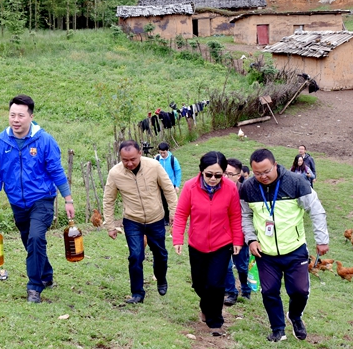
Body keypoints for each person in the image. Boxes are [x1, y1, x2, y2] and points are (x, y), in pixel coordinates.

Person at [0, 94, 75, 304]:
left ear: (31, 117)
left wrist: (68, 199)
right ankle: (46, 274)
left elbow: (56, 171)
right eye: (12, 115)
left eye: (20, 115)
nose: (16, 120)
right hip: (17, 201)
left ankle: (34, 288)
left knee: (36, 237)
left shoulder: (44, 140)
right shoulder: (0, 141)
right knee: (29, 241)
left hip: (42, 199)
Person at [241, 148, 329, 342]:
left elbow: (316, 210)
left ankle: (295, 316)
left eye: (266, 171)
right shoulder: (248, 187)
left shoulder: (296, 182)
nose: (262, 177)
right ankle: (277, 329)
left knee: (300, 291)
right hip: (265, 252)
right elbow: (245, 215)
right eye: (257, 173)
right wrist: (251, 239)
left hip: (294, 249)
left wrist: (322, 239)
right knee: (269, 291)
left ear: (275, 165)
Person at [172, 151, 243, 337]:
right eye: (209, 174)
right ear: (201, 171)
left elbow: (235, 216)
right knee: (199, 284)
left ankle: (215, 321)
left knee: (216, 284)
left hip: (222, 244)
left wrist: (238, 240)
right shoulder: (190, 187)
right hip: (197, 244)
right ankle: (205, 305)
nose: (213, 179)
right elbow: (181, 214)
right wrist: (178, 238)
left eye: (218, 175)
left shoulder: (230, 188)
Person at [103, 140, 178, 304]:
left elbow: (168, 189)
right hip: (132, 220)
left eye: (133, 159)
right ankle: (137, 293)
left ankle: (161, 278)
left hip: (155, 218)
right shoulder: (115, 173)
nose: (129, 163)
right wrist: (110, 225)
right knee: (135, 256)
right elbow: (108, 200)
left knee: (161, 254)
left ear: (140, 153)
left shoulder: (154, 166)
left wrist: (173, 211)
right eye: (125, 160)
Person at [223, 157, 251, 304]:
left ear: (238, 176)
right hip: (222, 234)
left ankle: (245, 288)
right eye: (224, 173)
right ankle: (231, 291)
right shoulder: (217, 189)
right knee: (225, 265)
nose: (225, 177)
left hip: (241, 235)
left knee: (242, 266)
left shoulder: (245, 191)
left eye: (229, 174)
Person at [155, 142, 182, 226]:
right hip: (160, 185)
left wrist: (177, 185)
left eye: (164, 153)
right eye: (161, 153)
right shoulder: (156, 159)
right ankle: (165, 219)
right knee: (162, 202)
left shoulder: (173, 159)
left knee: (172, 202)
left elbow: (178, 172)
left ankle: (175, 218)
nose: (162, 154)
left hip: (170, 184)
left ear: (167, 151)